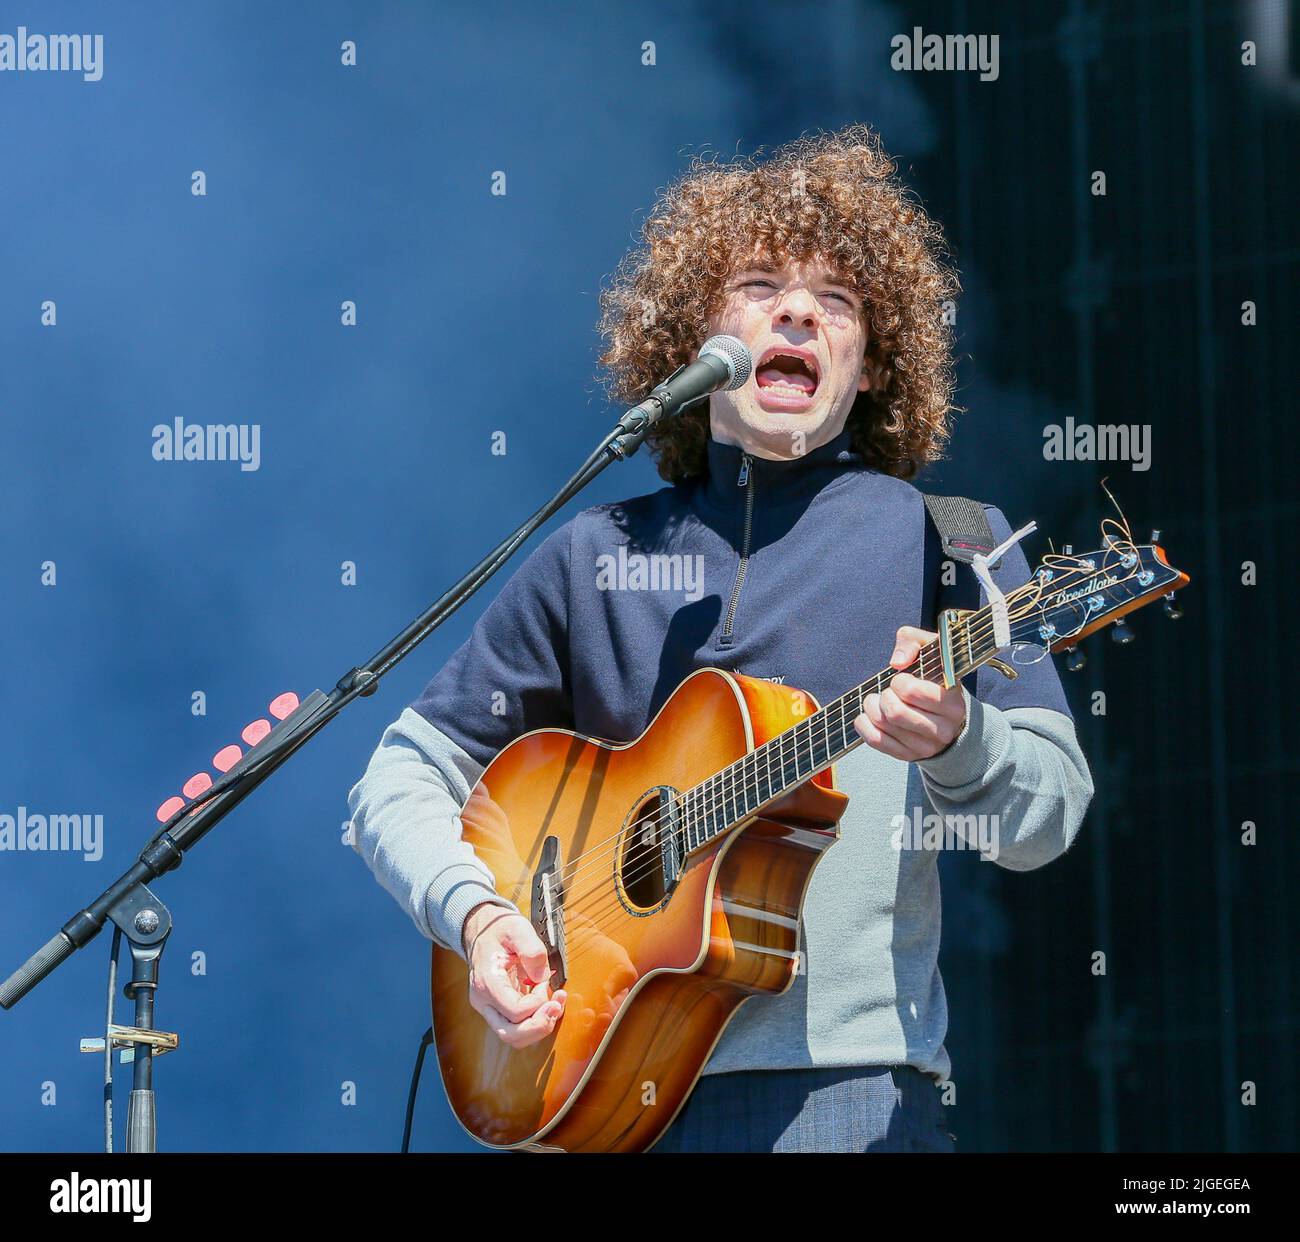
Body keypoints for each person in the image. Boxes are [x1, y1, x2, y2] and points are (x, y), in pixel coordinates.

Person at [347, 123, 1093, 1153]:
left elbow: (1046, 820)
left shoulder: (950, 545)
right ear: (687, 346)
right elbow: (398, 779)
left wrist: (964, 742)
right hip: (597, 1096)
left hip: (843, 1103)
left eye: (836, 302)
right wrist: (478, 917)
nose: (796, 309)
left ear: (871, 367)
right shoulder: (591, 555)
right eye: (757, 286)